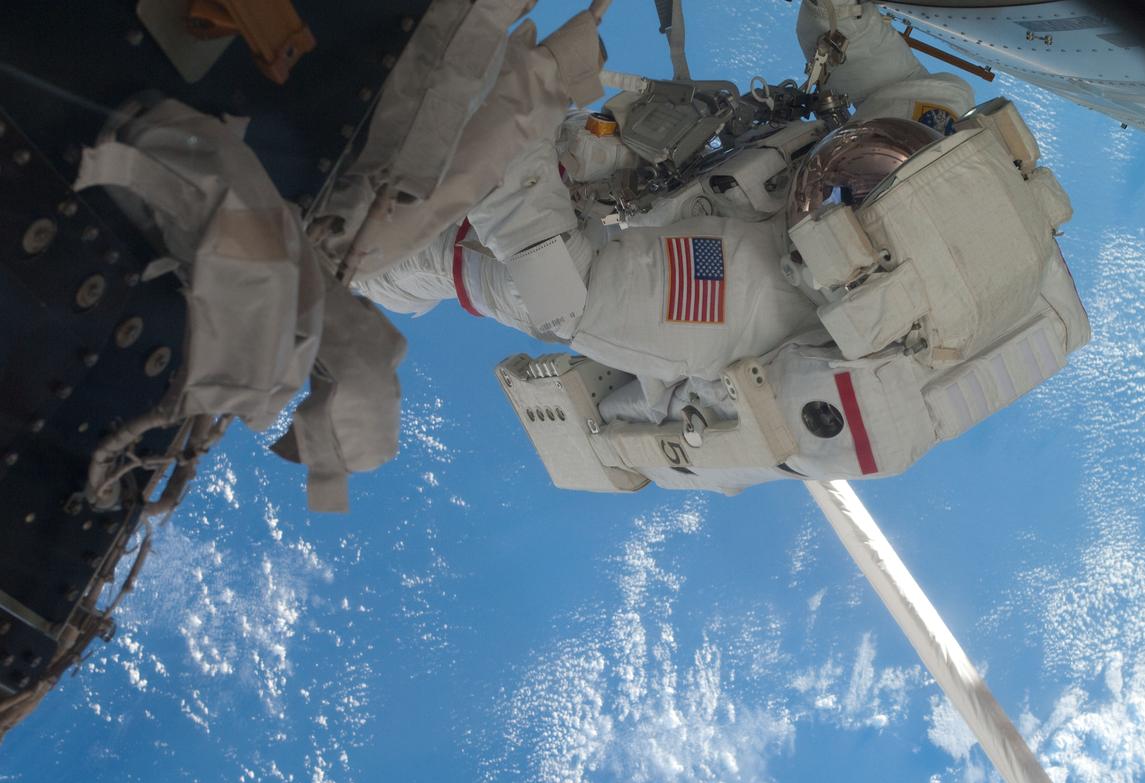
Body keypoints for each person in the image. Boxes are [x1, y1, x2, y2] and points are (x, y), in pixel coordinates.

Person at [355, 0, 1088, 493]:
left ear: (843, 242)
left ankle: (374, 262)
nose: (852, 153)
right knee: (581, 159)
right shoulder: (922, 144)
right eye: (867, 146)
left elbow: (562, 298)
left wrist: (514, 119)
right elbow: (888, 73)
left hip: (633, 285)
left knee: (437, 248)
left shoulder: (745, 291)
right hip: (715, 189)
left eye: (850, 178)